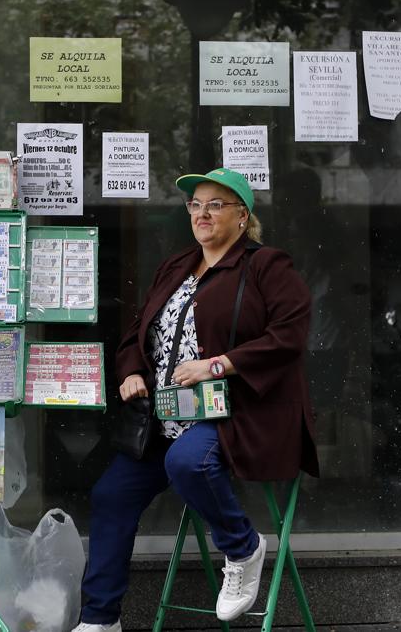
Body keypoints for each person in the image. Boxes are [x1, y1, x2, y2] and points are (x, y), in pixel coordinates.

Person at [71, 168, 318, 632]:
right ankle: (100, 620)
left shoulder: (266, 265)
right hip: (167, 416)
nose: (202, 214)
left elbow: (290, 335)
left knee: (189, 462)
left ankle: (243, 547)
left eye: (215, 205)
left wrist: (218, 364)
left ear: (243, 216)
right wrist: (130, 372)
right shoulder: (177, 265)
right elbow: (137, 332)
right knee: (111, 494)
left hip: (236, 414)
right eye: (195, 204)